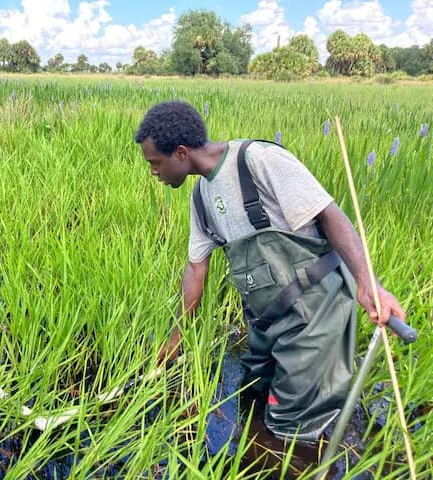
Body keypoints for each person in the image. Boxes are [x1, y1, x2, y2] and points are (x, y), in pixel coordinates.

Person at [134, 100, 405, 442]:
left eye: (155, 163)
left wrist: (369, 285)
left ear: (181, 153)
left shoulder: (257, 160)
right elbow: (194, 271)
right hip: (268, 318)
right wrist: (174, 341)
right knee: (252, 393)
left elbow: (331, 215)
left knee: (291, 425)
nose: (153, 172)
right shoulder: (201, 197)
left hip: (315, 314)